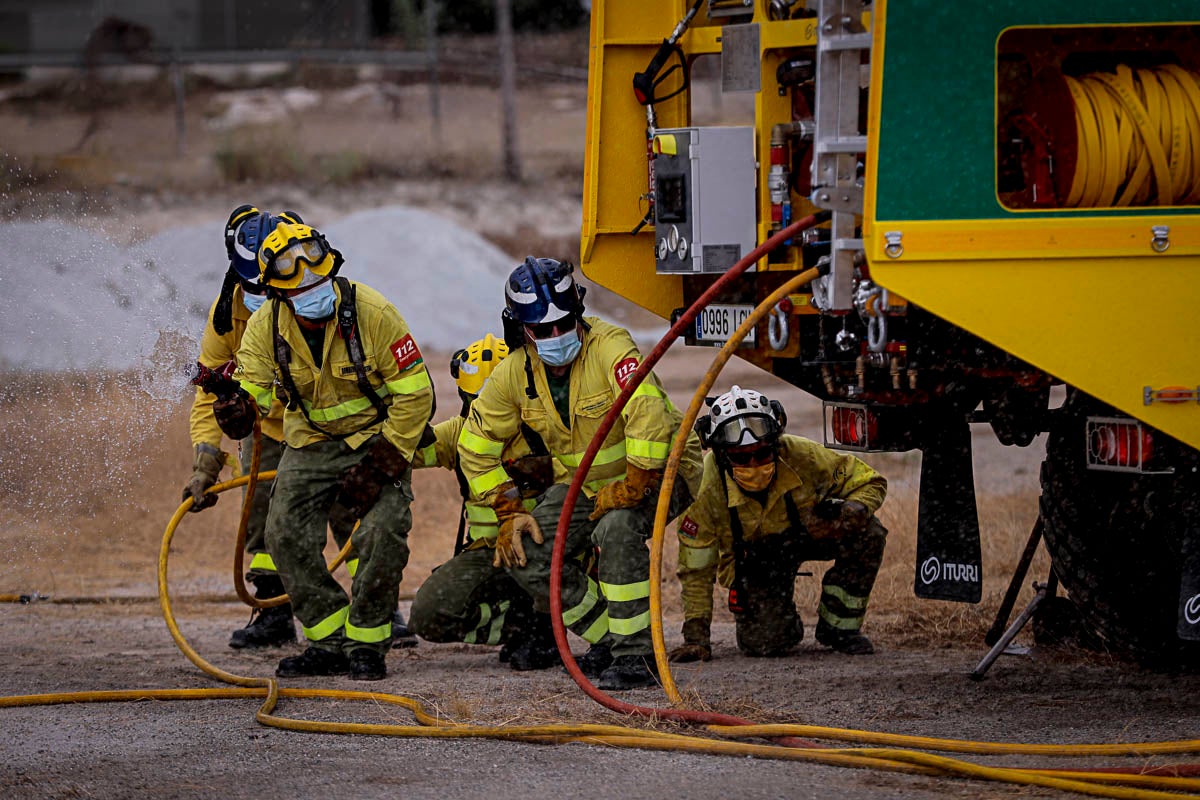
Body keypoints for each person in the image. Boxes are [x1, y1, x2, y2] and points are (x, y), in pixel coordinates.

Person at [458, 257, 702, 690]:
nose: (557, 336)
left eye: (565, 323)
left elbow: (647, 412)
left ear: (578, 313)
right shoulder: (514, 373)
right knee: (528, 552)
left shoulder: (612, 347)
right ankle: (611, 638)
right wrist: (508, 509)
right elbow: (474, 447)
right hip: (587, 487)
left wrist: (637, 481)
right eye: (544, 330)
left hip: (663, 472)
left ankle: (636, 657)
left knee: (618, 528)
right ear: (522, 329)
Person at [210, 220, 434, 681]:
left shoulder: (374, 313)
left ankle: (369, 644)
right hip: (310, 444)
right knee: (284, 534)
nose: (314, 291)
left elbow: (416, 395)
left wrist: (384, 463)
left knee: (382, 532)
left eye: (320, 280)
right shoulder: (263, 328)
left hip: (377, 439)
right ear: (278, 294)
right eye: (301, 287)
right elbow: (255, 389)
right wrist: (240, 409)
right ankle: (328, 641)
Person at [669, 386, 888, 662]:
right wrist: (696, 639)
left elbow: (871, 482)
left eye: (761, 454)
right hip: (755, 561)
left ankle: (839, 628)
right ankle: (781, 620)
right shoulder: (704, 489)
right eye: (740, 457)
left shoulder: (802, 455)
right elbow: (695, 569)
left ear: (775, 444)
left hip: (808, 534)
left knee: (869, 532)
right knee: (765, 644)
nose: (753, 464)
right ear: (722, 455)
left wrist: (850, 513)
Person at [183, 204, 319, 649]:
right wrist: (206, 457)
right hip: (269, 429)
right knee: (260, 516)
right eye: (250, 284)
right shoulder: (227, 315)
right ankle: (272, 611)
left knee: (346, 507)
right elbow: (210, 388)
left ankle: (378, 609)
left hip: (324, 424)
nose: (259, 292)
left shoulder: (314, 296)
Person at [408, 334, 561, 670]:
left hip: (546, 552)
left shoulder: (548, 431)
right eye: (476, 404)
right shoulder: (458, 435)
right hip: (489, 556)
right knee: (427, 614)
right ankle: (519, 626)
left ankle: (553, 628)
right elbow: (409, 453)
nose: (488, 415)